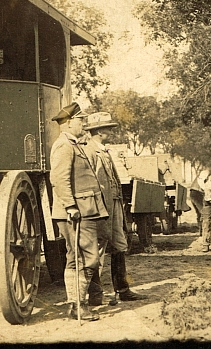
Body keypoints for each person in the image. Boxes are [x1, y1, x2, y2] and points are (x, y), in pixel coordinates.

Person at [49, 102, 109, 321]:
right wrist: (71, 206)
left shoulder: (75, 144)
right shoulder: (64, 145)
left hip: (86, 208)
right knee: (82, 257)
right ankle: (78, 305)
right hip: (76, 211)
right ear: (69, 122)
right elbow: (59, 179)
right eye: (80, 120)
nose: (84, 123)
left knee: (84, 256)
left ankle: (80, 302)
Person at [81, 112, 147, 305]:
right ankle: (95, 295)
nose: (110, 131)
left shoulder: (104, 150)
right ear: (100, 131)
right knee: (96, 251)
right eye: (108, 128)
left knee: (119, 245)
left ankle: (123, 290)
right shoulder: (89, 152)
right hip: (100, 208)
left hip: (114, 204)